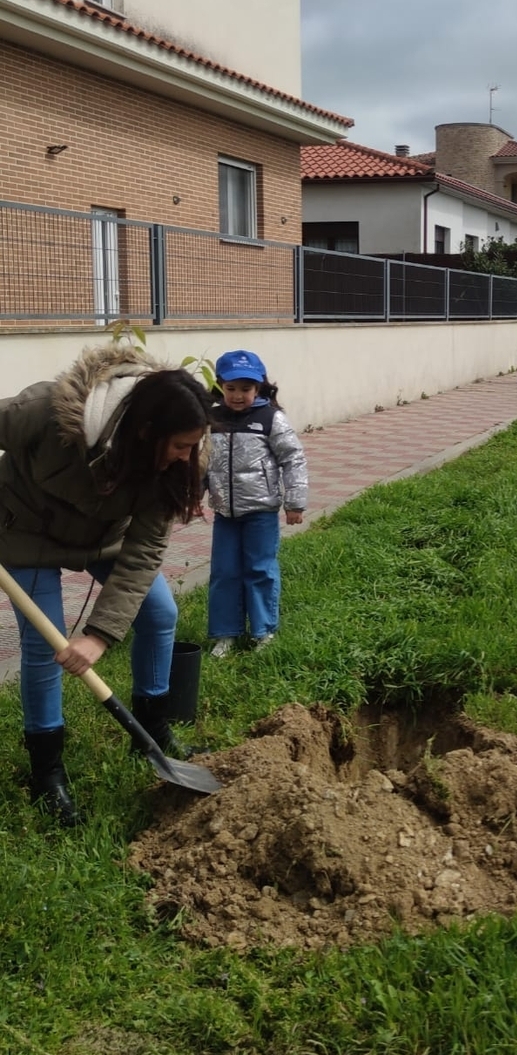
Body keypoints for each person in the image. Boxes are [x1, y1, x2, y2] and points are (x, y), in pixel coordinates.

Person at [0, 346, 213, 825]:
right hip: (26, 532)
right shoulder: (47, 412)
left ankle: (152, 731)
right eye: (180, 445)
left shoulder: (183, 462)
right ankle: (47, 771)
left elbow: (144, 552)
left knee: (160, 613)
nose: (187, 456)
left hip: (105, 539)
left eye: (193, 445)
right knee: (44, 644)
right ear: (146, 431)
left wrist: (99, 635)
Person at [206, 350, 308, 659]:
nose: (238, 396)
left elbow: (293, 458)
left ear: (259, 387)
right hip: (225, 513)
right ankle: (226, 633)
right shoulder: (212, 418)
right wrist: (192, 497)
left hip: (261, 512)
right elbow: (201, 461)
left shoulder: (270, 418)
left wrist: (295, 502)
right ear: (220, 386)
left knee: (260, 570)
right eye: (231, 388)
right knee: (223, 572)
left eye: (246, 389)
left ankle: (263, 631)